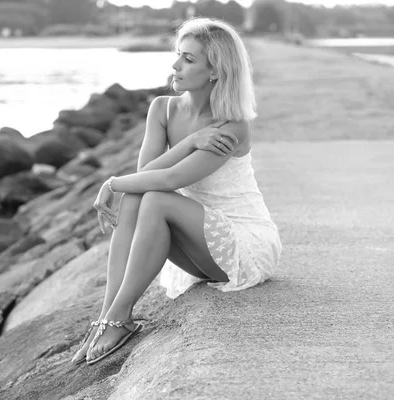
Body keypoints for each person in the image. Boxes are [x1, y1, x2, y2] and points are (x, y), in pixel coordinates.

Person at [71, 17, 282, 366]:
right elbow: (147, 175)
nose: (175, 65)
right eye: (178, 55)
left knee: (154, 198)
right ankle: (106, 317)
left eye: (188, 58)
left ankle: (119, 316)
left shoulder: (232, 126)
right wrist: (190, 142)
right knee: (141, 195)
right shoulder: (163, 109)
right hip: (198, 239)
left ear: (215, 71)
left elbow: (167, 181)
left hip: (244, 243)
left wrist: (110, 183)